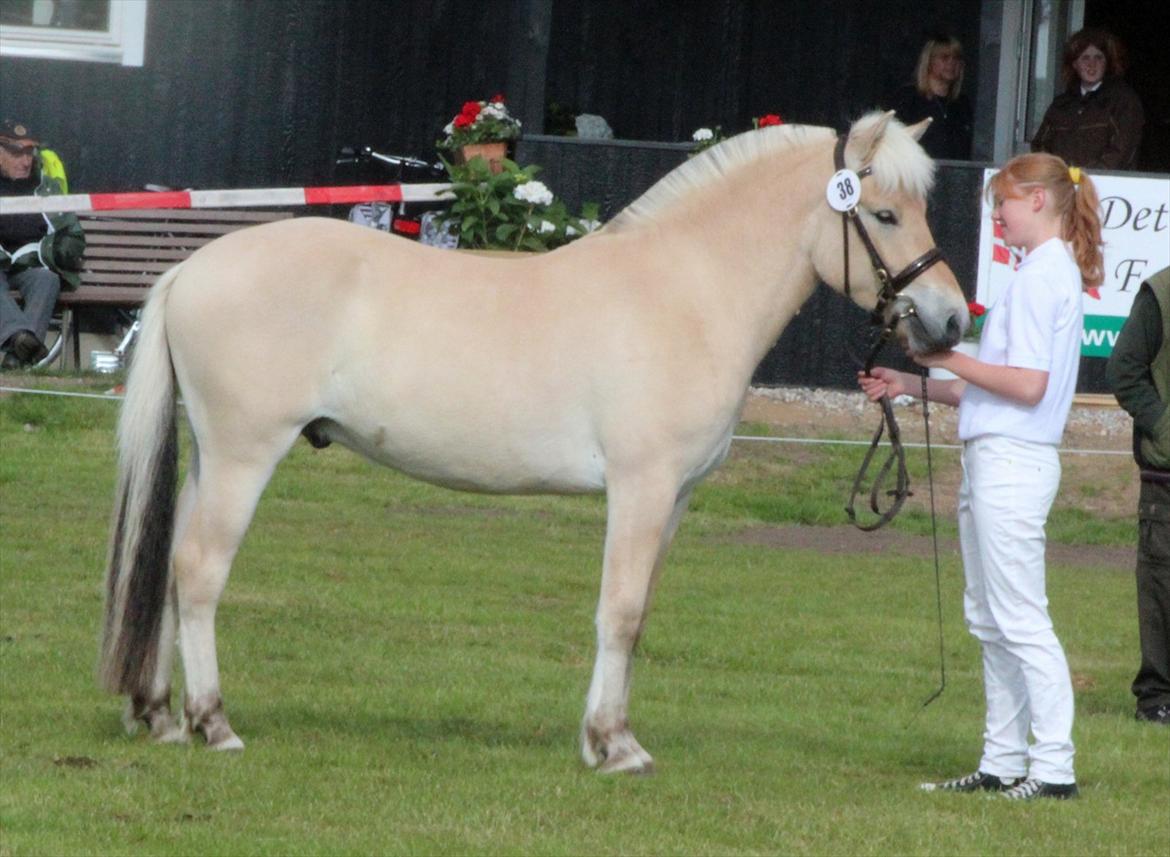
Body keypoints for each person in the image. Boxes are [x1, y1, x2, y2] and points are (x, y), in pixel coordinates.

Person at [859, 153, 1104, 800]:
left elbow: (1026, 386)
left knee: (1019, 618)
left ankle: (1053, 768)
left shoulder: (1043, 276)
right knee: (991, 618)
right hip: (998, 456)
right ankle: (1002, 760)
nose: (997, 217)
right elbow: (993, 388)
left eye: (1004, 204)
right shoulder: (1037, 273)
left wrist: (943, 357)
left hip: (1013, 462)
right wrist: (910, 381)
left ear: (1038, 201)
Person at [1106, 265, 1170, 726]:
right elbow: (1124, 370)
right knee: (1162, 590)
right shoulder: (1162, 293)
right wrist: (1165, 430)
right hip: (1166, 479)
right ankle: (1157, 700)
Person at [0, 119, 68, 368]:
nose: (26, 161)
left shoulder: (45, 187)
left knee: (47, 279)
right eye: (17, 154)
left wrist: (53, 251)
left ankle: (17, 357)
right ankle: (19, 338)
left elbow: (69, 232)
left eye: (29, 153)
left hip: (30, 263)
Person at [1032, 28, 1144, 170]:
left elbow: (1122, 150)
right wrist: (1057, 174)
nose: (1092, 64)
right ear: (1074, 64)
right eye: (1085, 57)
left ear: (1107, 63)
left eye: (1098, 57)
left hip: (1106, 182)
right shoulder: (1061, 105)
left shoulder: (1123, 100)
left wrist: (1087, 177)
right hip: (1063, 181)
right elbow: (1040, 146)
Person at [888, 35, 973, 160]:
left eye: (956, 58)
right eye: (944, 57)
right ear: (929, 61)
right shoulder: (908, 98)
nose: (951, 63)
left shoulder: (961, 104)